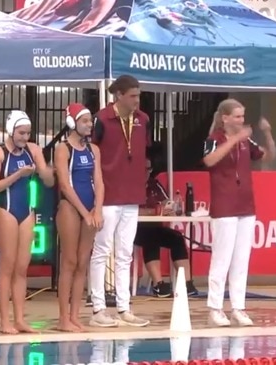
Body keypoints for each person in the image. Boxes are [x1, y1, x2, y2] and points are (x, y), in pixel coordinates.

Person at [202, 99, 276, 327]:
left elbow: (267, 155)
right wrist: (234, 138)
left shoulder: (246, 141)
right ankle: (215, 308)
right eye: (237, 116)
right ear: (224, 118)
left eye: (243, 117)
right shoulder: (214, 139)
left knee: (241, 259)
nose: (241, 121)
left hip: (245, 206)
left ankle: (238, 307)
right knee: (222, 259)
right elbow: (209, 160)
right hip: (224, 206)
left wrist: (269, 133)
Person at [89, 75, 150, 327]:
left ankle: (124, 308)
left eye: (138, 95)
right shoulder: (102, 119)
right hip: (108, 195)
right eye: (133, 96)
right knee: (102, 251)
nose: (137, 100)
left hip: (132, 195)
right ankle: (98, 308)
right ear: (119, 96)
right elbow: (92, 153)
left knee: (125, 253)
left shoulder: (143, 120)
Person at [0, 110, 54, 334]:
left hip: (27, 212)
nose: (25, 137)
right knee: (7, 267)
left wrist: (46, 168)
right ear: (11, 130)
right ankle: (5, 321)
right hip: (6, 210)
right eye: (21, 133)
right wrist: (19, 174)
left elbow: (49, 180)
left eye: (28, 133)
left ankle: (20, 319)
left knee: (22, 268)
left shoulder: (33, 150)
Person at [54, 103, 104, 331]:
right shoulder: (63, 149)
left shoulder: (94, 150)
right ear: (72, 123)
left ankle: (75, 315)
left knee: (83, 262)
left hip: (89, 211)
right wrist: (85, 213)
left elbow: (100, 182)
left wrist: (98, 209)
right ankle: (63, 318)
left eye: (90, 121)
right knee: (69, 261)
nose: (89, 124)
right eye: (84, 121)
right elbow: (64, 185)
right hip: (70, 209)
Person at [135, 157, 198, 297]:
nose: (147, 172)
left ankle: (186, 283)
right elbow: (130, 210)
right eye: (144, 169)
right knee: (150, 238)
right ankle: (158, 284)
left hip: (156, 226)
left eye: (149, 169)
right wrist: (154, 211)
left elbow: (166, 203)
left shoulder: (154, 184)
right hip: (134, 229)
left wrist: (172, 207)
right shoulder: (130, 186)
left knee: (176, 238)